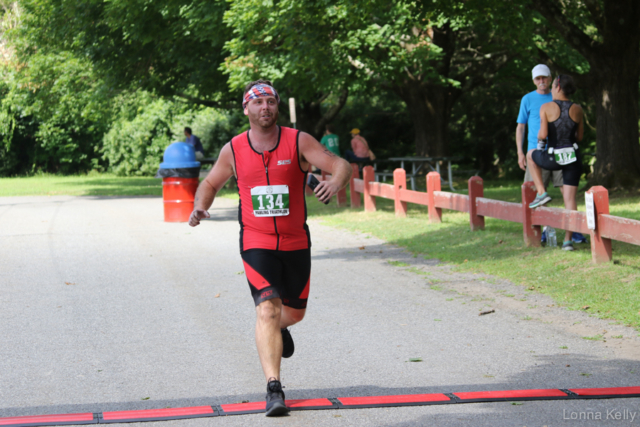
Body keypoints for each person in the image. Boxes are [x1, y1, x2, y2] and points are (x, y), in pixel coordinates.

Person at [188, 79, 352, 416]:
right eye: (258, 102)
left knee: (294, 313)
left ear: (277, 107)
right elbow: (210, 182)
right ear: (246, 108)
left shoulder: (298, 140)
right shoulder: (233, 149)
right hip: (256, 242)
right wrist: (199, 205)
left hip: (295, 242)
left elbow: (338, 163)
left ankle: (277, 329)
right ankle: (274, 387)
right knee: (266, 309)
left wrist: (335, 181)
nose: (266, 107)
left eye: (271, 102)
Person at [516, 65, 586, 244]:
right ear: (533, 80)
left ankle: (574, 230)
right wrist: (519, 152)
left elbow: (545, 133)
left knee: (563, 193)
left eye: (545, 78)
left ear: (554, 83)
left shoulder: (552, 102)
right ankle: (553, 234)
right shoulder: (529, 99)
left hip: (552, 154)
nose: (542, 82)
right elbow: (521, 126)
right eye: (537, 79)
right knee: (555, 196)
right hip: (559, 155)